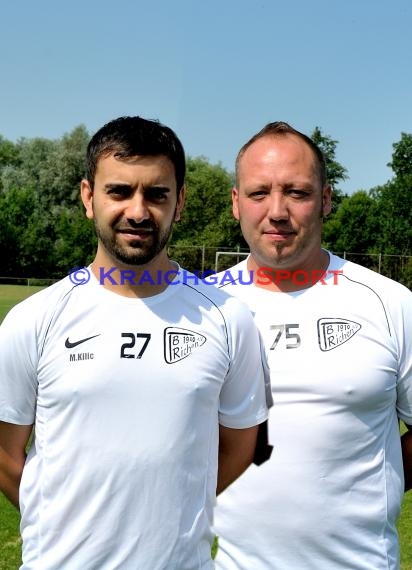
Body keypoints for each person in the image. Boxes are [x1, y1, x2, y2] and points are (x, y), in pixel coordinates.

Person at [0, 116, 270, 569]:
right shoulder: (34, 319)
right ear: (89, 197)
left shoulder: (228, 318)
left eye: (157, 194)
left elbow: (240, 447)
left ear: (179, 202)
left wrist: (175, 510)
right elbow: (6, 454)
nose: (139, 211)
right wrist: (64, 523)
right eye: (120, 191)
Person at [213, 121, 412, 569]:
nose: (277, 211)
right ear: (236, 203)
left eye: (297, 193)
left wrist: (379, 478)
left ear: (325, 200)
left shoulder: (391, 304)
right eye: (259, 193)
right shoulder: (205, 310)